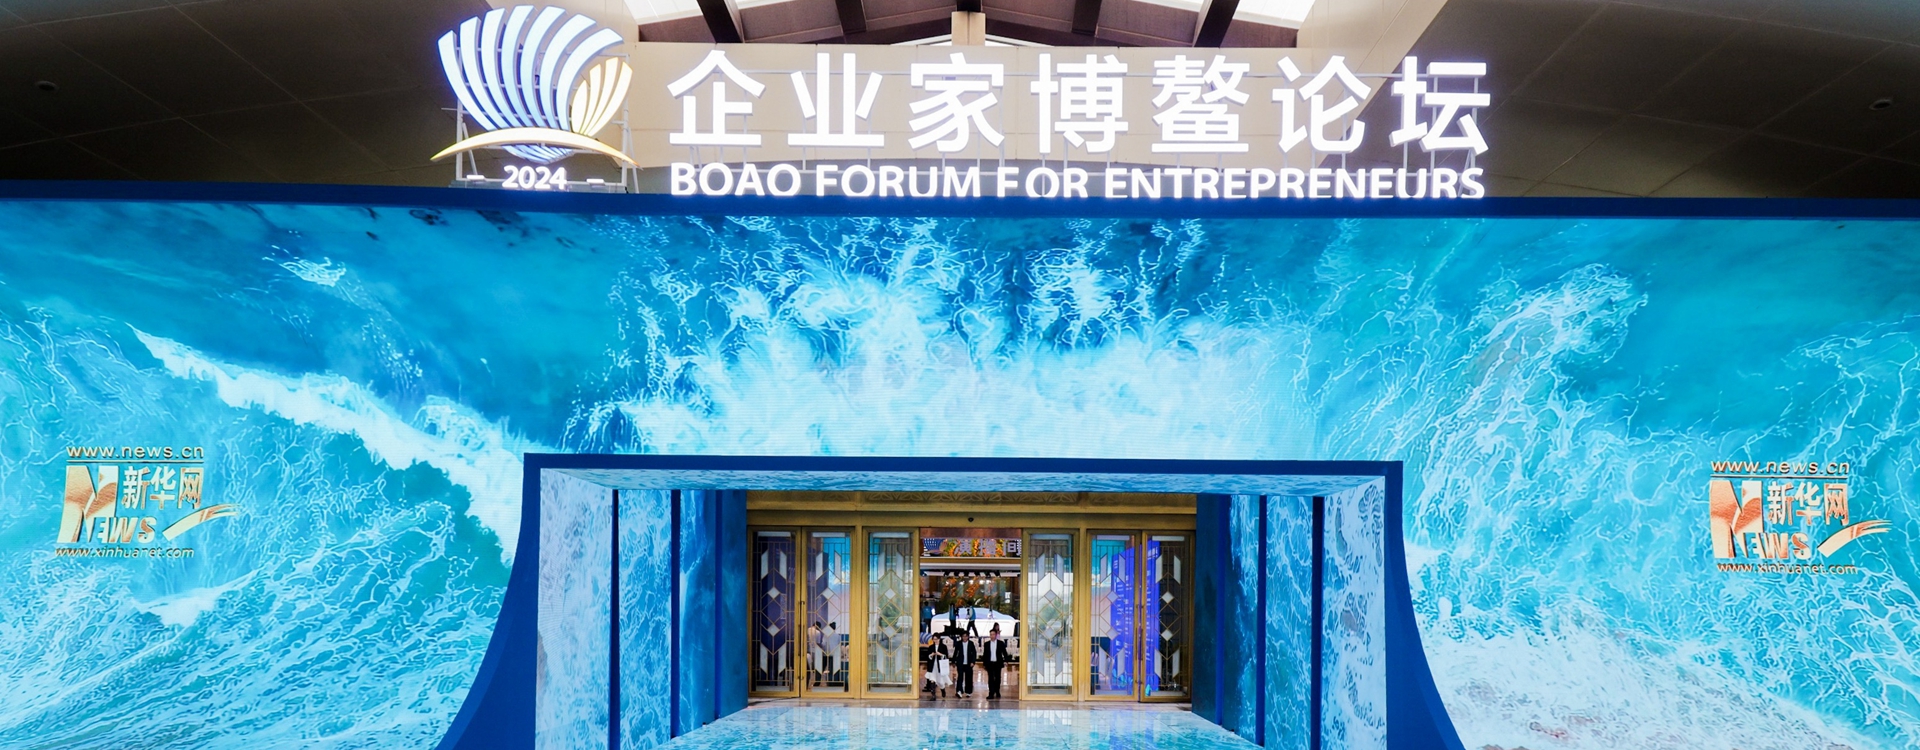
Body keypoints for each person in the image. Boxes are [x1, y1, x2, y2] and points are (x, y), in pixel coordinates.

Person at [982, 625, 1010, 700]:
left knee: (997, 678)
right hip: (990, 663)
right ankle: (991, 693)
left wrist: (1006, 661)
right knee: (990, 678)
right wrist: (984, 664)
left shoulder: (1001, 643)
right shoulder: (987, 644)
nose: (992, 636)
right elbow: (985, 654)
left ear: (996, 635)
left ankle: (997, 691)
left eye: (993, 634)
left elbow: (1004, 653)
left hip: (998, 663)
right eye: (991, 634)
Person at [953, 632, 979, 697]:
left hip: (969, 664)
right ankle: (959, 691)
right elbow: (955, 653)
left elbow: (974, 653)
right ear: (961, 637)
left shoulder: (971, 643)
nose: (964, 637)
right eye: (963, 636)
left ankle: (968, 691)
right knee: (960, 677)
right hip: (960, 663)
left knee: (969, 678)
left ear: (968, 637)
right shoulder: (958, 643)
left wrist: (973, 662)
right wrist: (953, 661)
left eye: (966, 636)